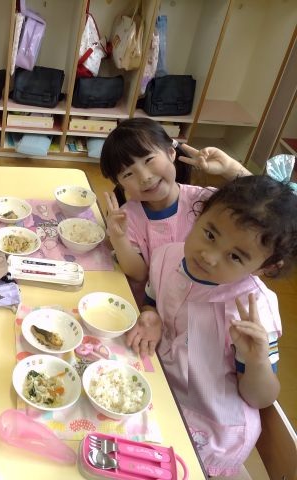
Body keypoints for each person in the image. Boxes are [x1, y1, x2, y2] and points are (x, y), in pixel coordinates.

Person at [126, 175, 297, 478]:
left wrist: (257, 361)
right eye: (209, 234)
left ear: (265, 267)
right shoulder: (168, 256)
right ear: (199, 213)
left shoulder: (253, 311)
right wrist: (151, 315)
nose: (209, 256)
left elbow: (260, 398)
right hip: (161, 386)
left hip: (210, 429)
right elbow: (153, 297)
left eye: (235, 256)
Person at [100, 118, 251, 305]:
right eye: (128, 174)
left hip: (206, 305)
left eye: (148, 160)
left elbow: (268, 206)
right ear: (120, 184)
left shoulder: (206, 201)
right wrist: (119, 239)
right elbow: (140, 274)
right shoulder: (128, 216)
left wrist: (231, 169)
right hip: (154, 308)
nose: (145, 177)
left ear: (171, 153)